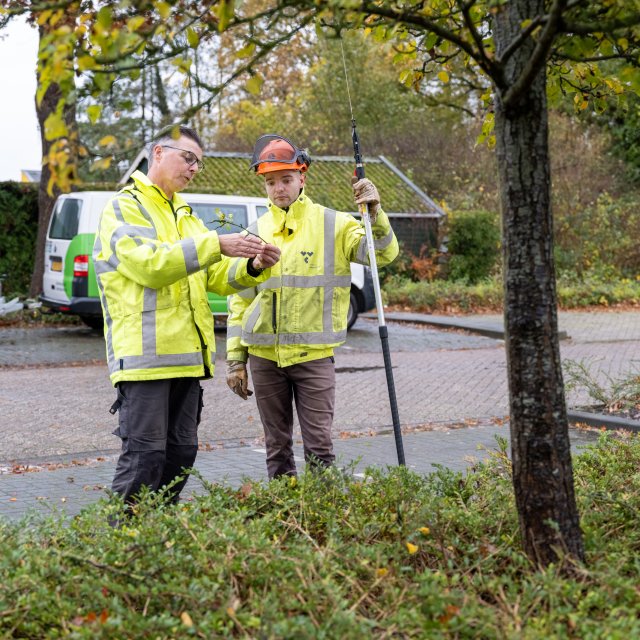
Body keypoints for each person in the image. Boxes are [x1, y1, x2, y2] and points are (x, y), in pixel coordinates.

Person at [93, 124, 280, 505]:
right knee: (144, 458)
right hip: (146, 362)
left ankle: (158, 538)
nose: (194, 168)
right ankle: (121, 541)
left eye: (200, 163)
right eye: (189, 158)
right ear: (158, 154)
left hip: (188, 362)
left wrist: (254, 267)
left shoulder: (186, 216)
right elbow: (149, 265)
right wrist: (215, 242)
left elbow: (217, 279)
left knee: (181, 456)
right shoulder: (125, 207)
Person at [225, 134, 398, 479]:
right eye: (271, 182)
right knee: (276, 447)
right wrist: (235, 359)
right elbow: (239, 300)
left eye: (286, 179)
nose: (278, 189)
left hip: (314, 357)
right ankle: (285, 517)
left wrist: (375, 213)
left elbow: (381, 254)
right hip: (264, 357)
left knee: (319, 446)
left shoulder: (334, 224)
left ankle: (320, 522)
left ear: (302, 177)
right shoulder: (255, 232)